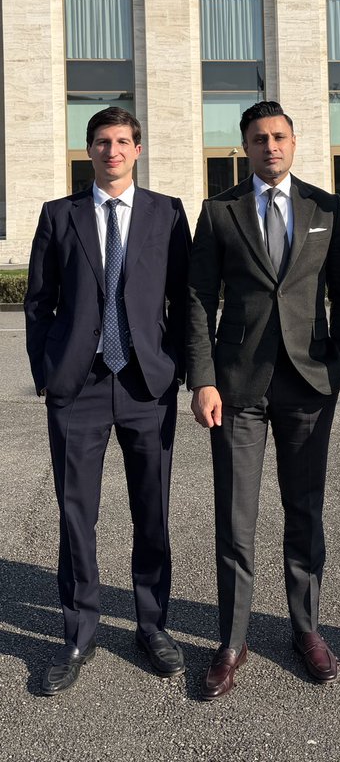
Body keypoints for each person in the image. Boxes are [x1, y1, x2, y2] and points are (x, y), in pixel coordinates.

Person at [187, 100, 340, 699]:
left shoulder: (324, 208)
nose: (271, 147)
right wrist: (202, 378)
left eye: (279, 136)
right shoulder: (220, 211)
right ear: (246, 147)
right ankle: (232, 641)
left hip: (309, 385)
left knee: (304, 511)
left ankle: (306, 629)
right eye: (259, 139)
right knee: (236, 519)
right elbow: (198, 298)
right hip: (237, 387)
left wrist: (338, 364)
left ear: (294, 141)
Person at [25, 107, 192, 695]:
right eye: (102, 141)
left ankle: (153, 625)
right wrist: (47, 371)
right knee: (77, 513)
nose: (112, 151)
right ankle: (78, 633)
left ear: (137, 149)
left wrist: (178, 368)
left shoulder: (167, 213)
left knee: (153, 510)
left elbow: (185, 298)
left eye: (122, 141)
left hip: (147, 384)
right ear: (89, 149)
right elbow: (38, 300)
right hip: (80, 386)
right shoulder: (59, 214)